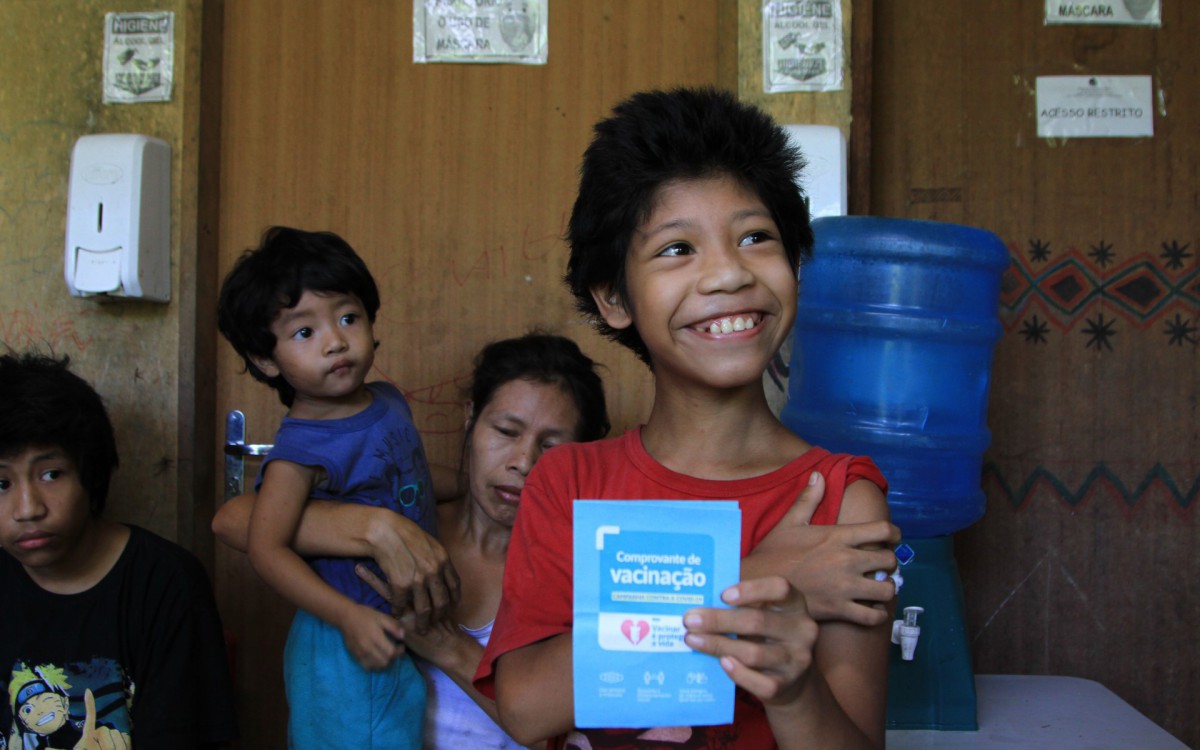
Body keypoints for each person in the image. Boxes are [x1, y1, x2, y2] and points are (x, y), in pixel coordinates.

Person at [474, 87, 897, 750]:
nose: (728, 274)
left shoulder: (841, 501)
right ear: (614, 297)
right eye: (677, 249)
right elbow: (527, 708)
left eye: (756, 237)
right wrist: (755, 575)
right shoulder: (569, 481)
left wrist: (792, 690)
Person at [212, 331, 611, 749]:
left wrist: (448, 646)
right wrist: (377, 527)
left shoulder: (579, 568)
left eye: (551, 445)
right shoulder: (411, 514)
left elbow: (547, 722)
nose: (522, 462)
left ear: (580, 456)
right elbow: (234, 521)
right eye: (506, 431)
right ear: (470, 416)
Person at [216, 226, 438, 749]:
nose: (336, 340)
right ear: (266, 360)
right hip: (340, 638)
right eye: (304, 332)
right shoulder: (301, 449)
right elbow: (268, 549)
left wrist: (474, 490)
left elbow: (411, 476)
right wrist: (347, 617)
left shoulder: (386, 400)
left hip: (395, 626)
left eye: (347, 317)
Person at [0, 352, 237, 749]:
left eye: (51, 474)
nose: (29, 509)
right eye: (1, 484)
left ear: (89, 473)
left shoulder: (165, 581)